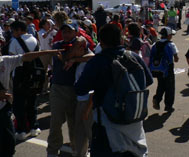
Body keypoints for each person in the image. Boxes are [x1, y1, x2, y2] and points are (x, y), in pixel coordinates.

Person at [75, 24, 153, 156]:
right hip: (134, 119)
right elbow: (148, 80)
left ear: (101, 41)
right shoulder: (134, 57)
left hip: (107, 123)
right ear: (121, 39)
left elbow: (80, 89)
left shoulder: (97, 61)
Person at [0, 49, 61, 157]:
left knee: (9, 142)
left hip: (4, 107)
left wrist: (48, 52)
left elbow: (26, 56)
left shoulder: (5, 61)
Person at [47, 20, 94, 157]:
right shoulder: (57, 45)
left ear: (75, 32)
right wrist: (74, 54)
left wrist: (75, 59)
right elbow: (61, 62)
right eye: (64, 31)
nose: (66, 34)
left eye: (69, 31)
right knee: (55, 123)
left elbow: (92, 56)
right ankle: (52, 151)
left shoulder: (81, 44)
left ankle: (76, 149)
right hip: (58, 88)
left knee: (75, 124)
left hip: (75, 90)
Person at [8, 21, 42, 140]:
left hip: (20, 75)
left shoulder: (14, 42)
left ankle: (21, 130)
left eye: (13, 31)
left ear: (19, 30)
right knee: (32, 103)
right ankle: (34, 127)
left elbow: (11, 59)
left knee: (19, 104)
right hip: (34, 75)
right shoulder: (35, 40)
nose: (12, 33)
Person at [150, 27, 179, 112]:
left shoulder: (155, 44)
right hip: (168, 68)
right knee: (170, 87)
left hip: (158, 69)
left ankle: (157, 99)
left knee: (161, 85)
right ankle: (168, 106)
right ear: (169, 35)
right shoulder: (171, 44)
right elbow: (176, 58)